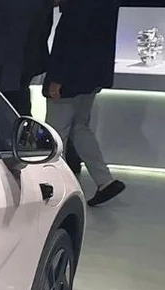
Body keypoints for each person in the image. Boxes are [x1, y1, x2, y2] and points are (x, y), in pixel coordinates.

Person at [44, 0, 125, 207]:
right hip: (91, 77)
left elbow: (69, 42)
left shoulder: (77, 7)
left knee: (55, 133)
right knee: (80, 128)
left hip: (69, 80)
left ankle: (55, 186)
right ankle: (104, 181)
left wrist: (57, 78)